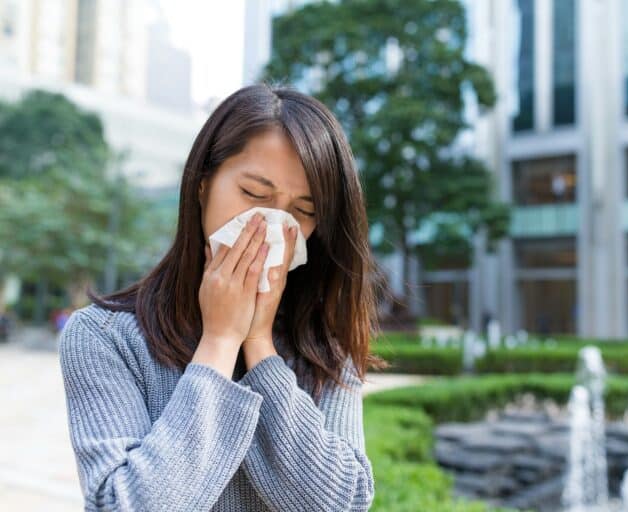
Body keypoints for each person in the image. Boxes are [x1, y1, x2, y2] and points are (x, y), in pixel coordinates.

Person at [57, 82, 389, 511]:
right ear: (202, 186)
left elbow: (342, 504)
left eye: (302, 211)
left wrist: (259, 345)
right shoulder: (104, 337)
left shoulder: (324, 346)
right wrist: (219, 342)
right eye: (254, 194)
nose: (273, 223)